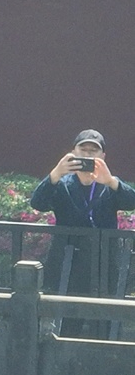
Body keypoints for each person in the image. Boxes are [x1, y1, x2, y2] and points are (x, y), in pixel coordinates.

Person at [31, 129, 135, 337]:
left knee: (106, 325)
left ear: (103, 156)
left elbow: (131, 202)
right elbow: (38, 203)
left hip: (104, 266)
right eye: (83, 150)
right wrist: (55, 174)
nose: (88, 155)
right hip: (68, 266)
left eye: (93, 151)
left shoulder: (109, 184)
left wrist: (110, 181)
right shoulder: (62, 184)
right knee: (66, 326)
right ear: (73, 152)